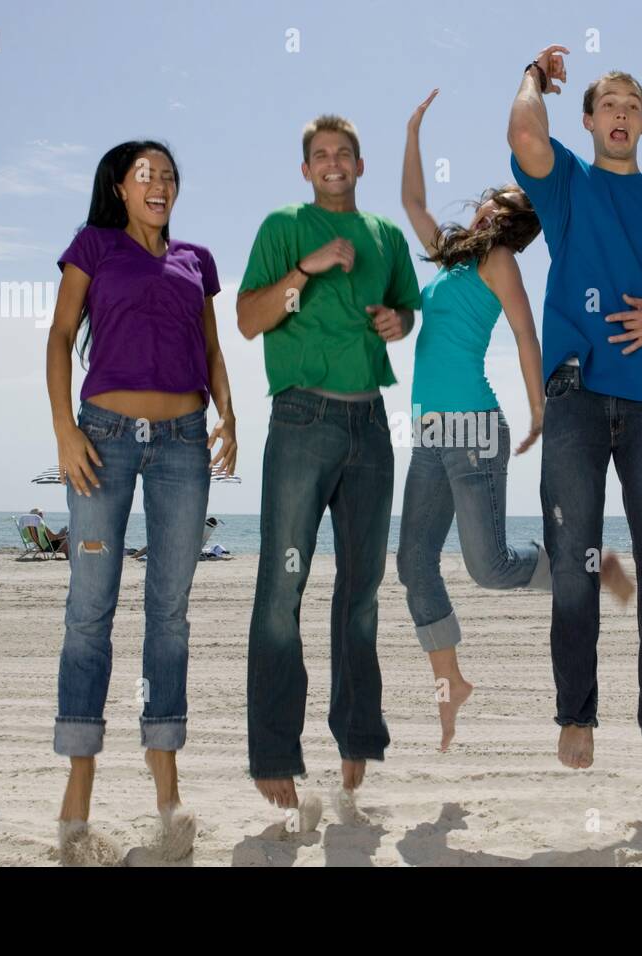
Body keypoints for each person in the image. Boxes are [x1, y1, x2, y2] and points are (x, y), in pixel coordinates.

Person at [397, 89, 624, 751]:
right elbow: (413, 202)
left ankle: (585, 567)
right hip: (431, 432)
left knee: (490, 568)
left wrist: (538, 409)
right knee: (413, 562)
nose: (489, 200)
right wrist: (413, 131)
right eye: (494, 194)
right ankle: (451, 682)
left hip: (472, 430)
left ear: (515, 221)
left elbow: (527, 337)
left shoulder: (499, 262)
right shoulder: (450, 254)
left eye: (504, 200)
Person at [508, 48, 642, 775]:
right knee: (573, 559)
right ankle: (576, 714)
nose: (620, 114)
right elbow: (526, 135)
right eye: (607, 105)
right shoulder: (568, 187)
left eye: (631, 105)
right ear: (587, 121)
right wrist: (533, 73)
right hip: (576, 397)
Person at [46, 140, 238, 864]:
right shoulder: (92, 247)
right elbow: (62, 337)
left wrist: (230, 415)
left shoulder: (197, 260)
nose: (159, 183)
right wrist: (64, 430)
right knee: (90, 609)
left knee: (170, 615)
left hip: (185, 444)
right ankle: (77, 805)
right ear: (120, 189)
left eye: (167, 174)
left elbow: (213, 349)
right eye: (144, 174)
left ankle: (168, 799)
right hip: (102, 440)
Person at [238, 115, 421, 817]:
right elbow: (250, 319)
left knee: (362, 591)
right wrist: (303, 273)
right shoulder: (283, 226)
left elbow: (406, 312)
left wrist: (399, 326)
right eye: (321, 155)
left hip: (370, 424)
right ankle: (275, 752)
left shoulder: (386, 237)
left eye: (344, 153)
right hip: (301, 420)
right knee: (282, 591)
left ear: (360, 165)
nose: (334, 163)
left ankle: (356, 734)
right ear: (307, 169)